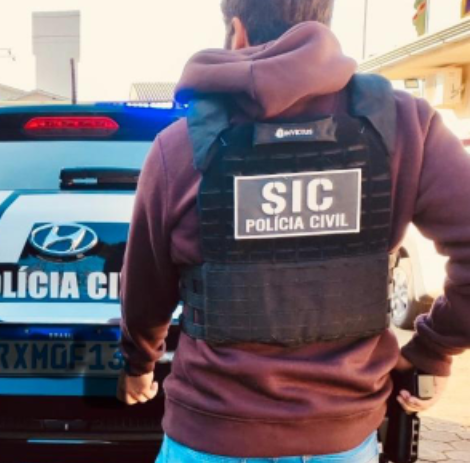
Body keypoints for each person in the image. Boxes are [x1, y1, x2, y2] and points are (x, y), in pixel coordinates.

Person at [118, 0, 470, 461]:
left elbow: (145, 289)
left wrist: (139, 365)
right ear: (323, 22)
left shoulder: (179, 146)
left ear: (238, 32)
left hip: (211, 435)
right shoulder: (405, 125)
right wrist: (433, 349)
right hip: (342, 439)